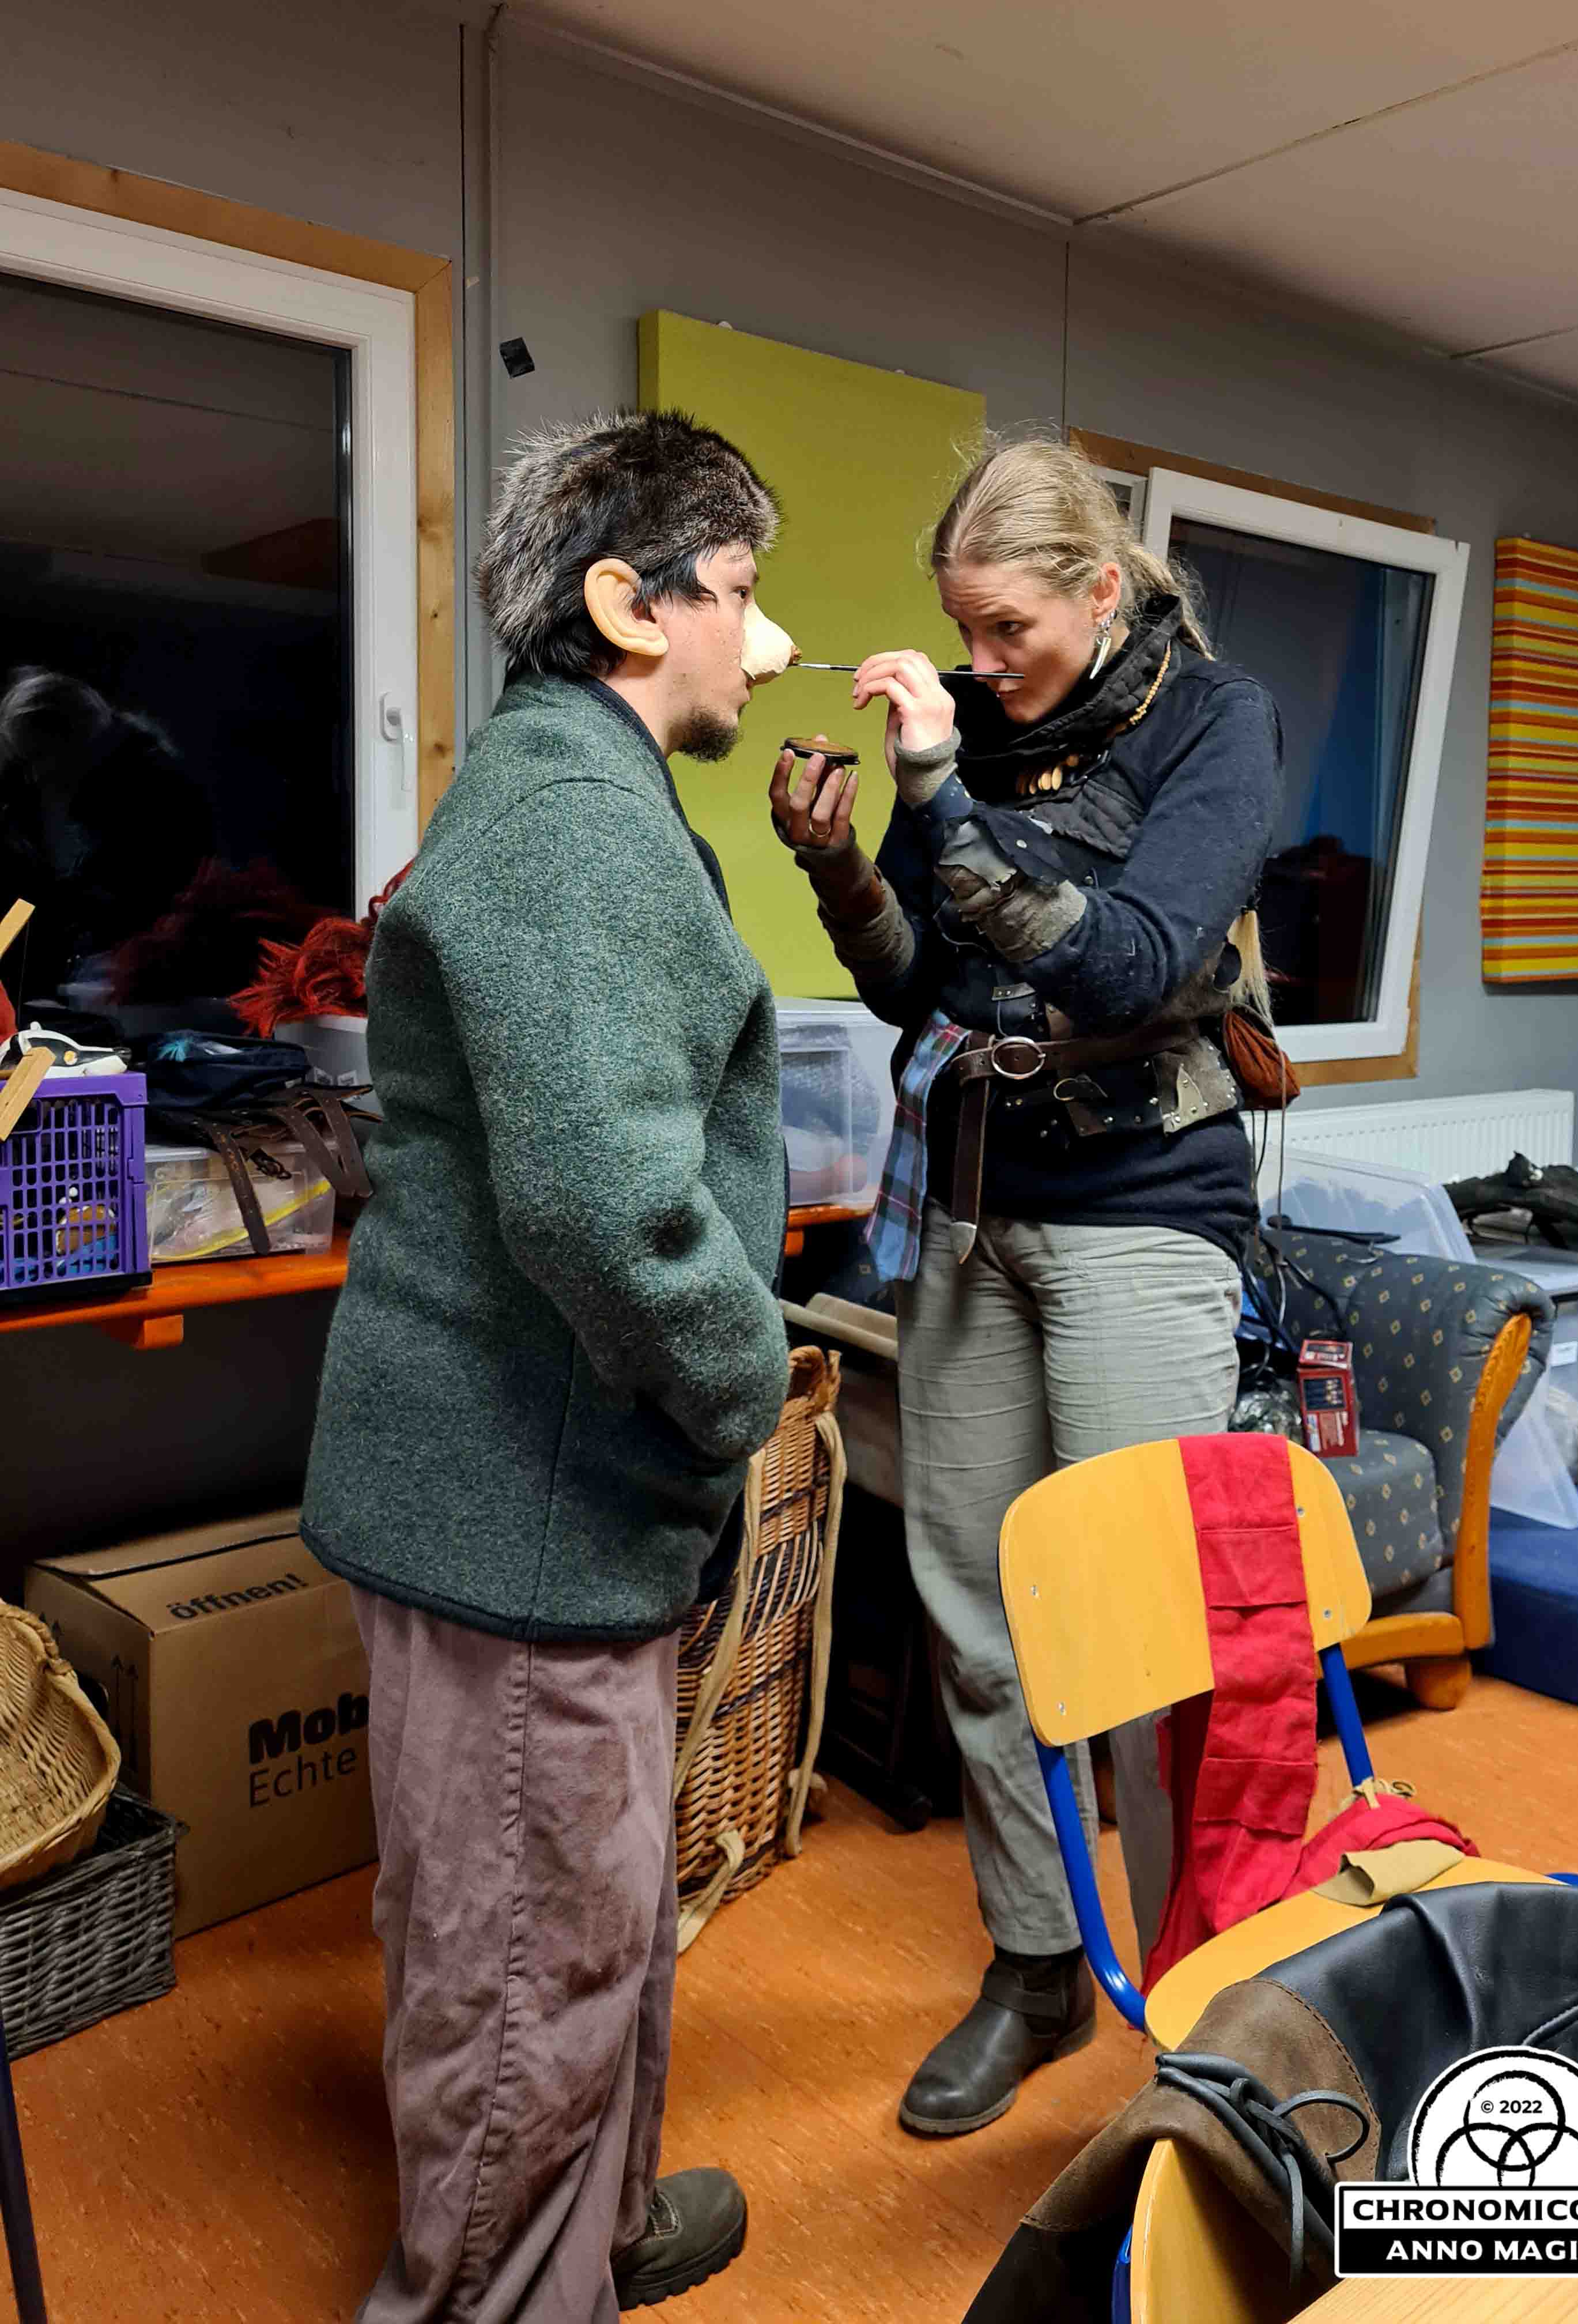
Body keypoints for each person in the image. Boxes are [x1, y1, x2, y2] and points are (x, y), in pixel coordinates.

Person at [303, 409, 798, 2321]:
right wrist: (745, 1388)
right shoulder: (576, 823)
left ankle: (596, 2231)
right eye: (739, 591)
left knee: (588, 1919)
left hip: (553, 1491)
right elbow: (604, 1206)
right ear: (628, 602)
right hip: (522, 1509)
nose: (767, 643)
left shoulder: (575, 790)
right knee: (527, 1971)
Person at [770, 435, 1283, 2139]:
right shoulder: (979, 733)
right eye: (964, 632)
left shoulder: (1217, 723)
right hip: (976, 1207)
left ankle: (1207, 1993)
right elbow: (920, 984)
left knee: (1144, 1626)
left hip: (1143, 1209)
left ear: (1102, 589)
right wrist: (846, 870)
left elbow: (1131, 965)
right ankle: (1038, 1964)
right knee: (980, 1619)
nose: (983, 664)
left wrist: (932, 796)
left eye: (1011, 629)